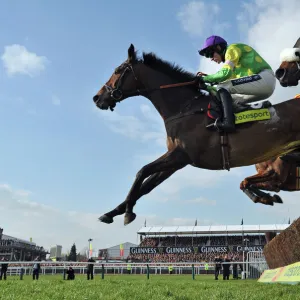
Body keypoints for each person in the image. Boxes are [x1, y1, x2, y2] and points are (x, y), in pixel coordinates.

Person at [198, 35, 276, 132]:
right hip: (261, 85)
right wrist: (206, 87)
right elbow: (221, 89)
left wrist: (205, 78)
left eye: (210, 54)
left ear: (218, 48)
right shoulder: (234, 67)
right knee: (225, 95)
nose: (211, 59)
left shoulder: (232, 49)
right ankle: (258, 108)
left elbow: (224, 74)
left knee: (223, 86)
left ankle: (228, 123)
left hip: (265, 77)